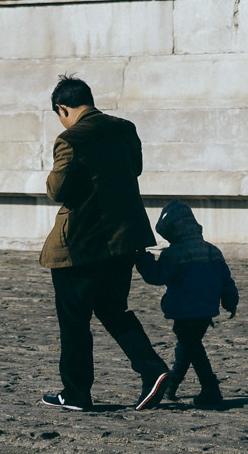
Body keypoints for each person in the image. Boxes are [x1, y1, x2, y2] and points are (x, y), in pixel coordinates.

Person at [39, 75, 171, 412]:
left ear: (62, 108)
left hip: (80, 245)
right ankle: (152, 368)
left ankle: (76, 393)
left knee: (74, 321)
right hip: (123, 240)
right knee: (114, 310)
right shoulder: (125, 129)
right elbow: (134, 170)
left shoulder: (70, 138)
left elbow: (58, 190)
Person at [135, 199, 239, 409]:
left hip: (183, 311)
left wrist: (142, 259)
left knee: (192, 348)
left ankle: (210, 387)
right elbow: (225, 280)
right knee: (187, 347)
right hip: (206, 311)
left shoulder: (173, 254)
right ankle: (173, 384)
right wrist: (230, 300)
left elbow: (157, 276)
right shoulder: (212, 250)